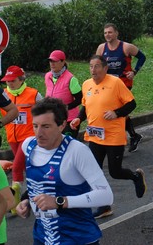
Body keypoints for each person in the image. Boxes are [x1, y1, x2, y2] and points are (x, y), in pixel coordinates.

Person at [16, 97, 114, 244]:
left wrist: (59, 202)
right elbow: (42, 183)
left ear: (62, 125)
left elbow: (106, 196)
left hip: (77, 237)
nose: (39, 133)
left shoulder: (77, 151)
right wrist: (26, 201)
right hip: (44, 236)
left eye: (46, 126)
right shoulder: (28, 146)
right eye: (35, 126)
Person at [71, 55, 146, 219]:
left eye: (97, 66)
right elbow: (85, 106)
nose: (93, 70)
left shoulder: (115, 83)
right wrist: (79, 118)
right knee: (93, 171)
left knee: (115, 171)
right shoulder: (86, 84)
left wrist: (116, 113)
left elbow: (132, 104)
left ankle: (135, 176)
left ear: (105, 68)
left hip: (113, 136)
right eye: (91, 66)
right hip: (94, 136)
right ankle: (104, 206)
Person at [96, 23, 147, 153]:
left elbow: (142, 57)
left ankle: (117, 142)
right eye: (105, 33)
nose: (107, 35)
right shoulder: (102, 48)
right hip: (107, 84)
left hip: (123, 84)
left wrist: (134, 71)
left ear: (116, 33)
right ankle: (133, 136)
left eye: (110, 32)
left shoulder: (126, 47)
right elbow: (97, 64)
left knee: (117, 111)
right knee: (117, 112)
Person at [0, 65, 43, 209]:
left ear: (21, 79)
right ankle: (37, 191)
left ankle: (13, 203)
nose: (10, 83)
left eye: (13, 80)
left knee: (17, 167)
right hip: (12, 137)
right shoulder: (3, 94)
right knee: (26, 168)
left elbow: (45, 111)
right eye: (7, 81)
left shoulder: (33, 94)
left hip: (29, 138)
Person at [45, 50, 83, 139]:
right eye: (51, 61)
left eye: (55, 61)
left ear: (63, 62)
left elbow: (80, 99)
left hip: (70, 120)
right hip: (54, 118)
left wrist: (65, 107)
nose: (52, 64)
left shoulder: (71, 79)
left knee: (68, 146)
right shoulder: (47, 76)